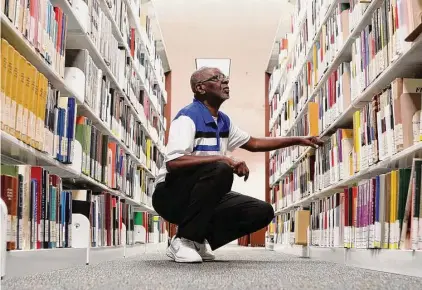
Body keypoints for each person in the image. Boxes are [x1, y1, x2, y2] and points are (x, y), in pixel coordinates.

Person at [152, 67, 323, 263]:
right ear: (200, 88)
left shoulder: (223, 121)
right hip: (170, 196)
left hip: (201, 196)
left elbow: (255, 143)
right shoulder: (187, 117)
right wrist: (223, 159)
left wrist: (299, 140)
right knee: (221, 169)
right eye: (217, 78)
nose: (225, 82)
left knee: (262, 211)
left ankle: (197, 239)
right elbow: (174, 163)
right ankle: (184, 240)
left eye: (225, 78)